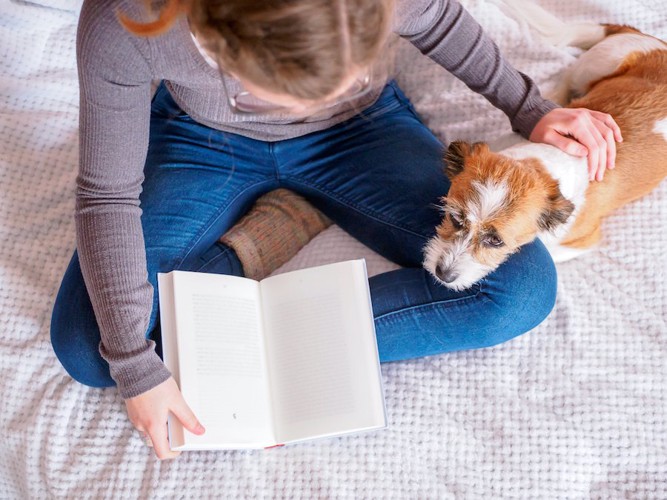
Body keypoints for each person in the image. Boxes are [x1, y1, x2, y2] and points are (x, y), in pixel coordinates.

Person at [50, 0, 622, 460]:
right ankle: (261, 241)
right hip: (204, 139)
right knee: (87, 348)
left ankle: (266, 313)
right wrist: (135, 366)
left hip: (360, 133)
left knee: (519, 290)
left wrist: (531, 108)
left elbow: (441, 17)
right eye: (305, 91)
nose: (319, 100)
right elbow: (106, 194)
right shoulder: (128, 19)